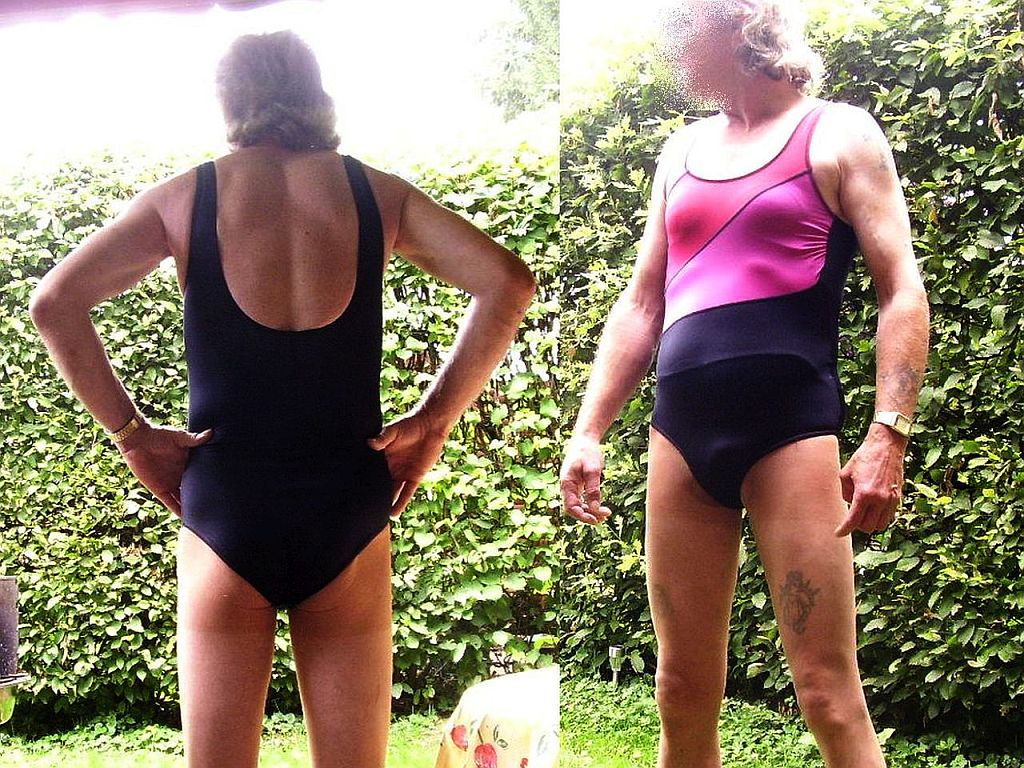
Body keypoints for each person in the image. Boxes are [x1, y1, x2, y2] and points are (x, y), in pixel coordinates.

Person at [30, 31, 536, 768]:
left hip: (227, 506)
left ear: (230, 100)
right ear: (315, 94)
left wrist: (133, 433)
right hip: (347, 503)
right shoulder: (378, 194)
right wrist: (432, 423)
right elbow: (509, 283)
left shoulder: (184, 199)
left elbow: (54, 303)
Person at [559, 1, 929, 766]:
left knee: (826, 692)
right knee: (680, 687)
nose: (670, 47)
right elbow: (643, 303)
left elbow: (902, 291)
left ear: (738, 22)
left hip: (790, 433)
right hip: (680, 437)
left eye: (681, 26)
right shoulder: (681, 151)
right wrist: (588, 430)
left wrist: (887, 432)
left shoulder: (838, 133)